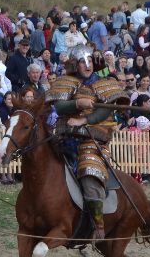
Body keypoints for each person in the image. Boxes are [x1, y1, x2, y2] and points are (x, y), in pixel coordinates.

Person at [48, 45, 129, 241]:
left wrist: (84, 119)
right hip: (64, 137)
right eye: (83, 61)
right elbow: (58, 106)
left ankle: (98, 224)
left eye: (90, 61)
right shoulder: (65, 82)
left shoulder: (104, 83)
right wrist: (77, 104)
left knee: (90, 172)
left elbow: (106, 110)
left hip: (92, 140)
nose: (87, 65)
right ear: (75, 64)